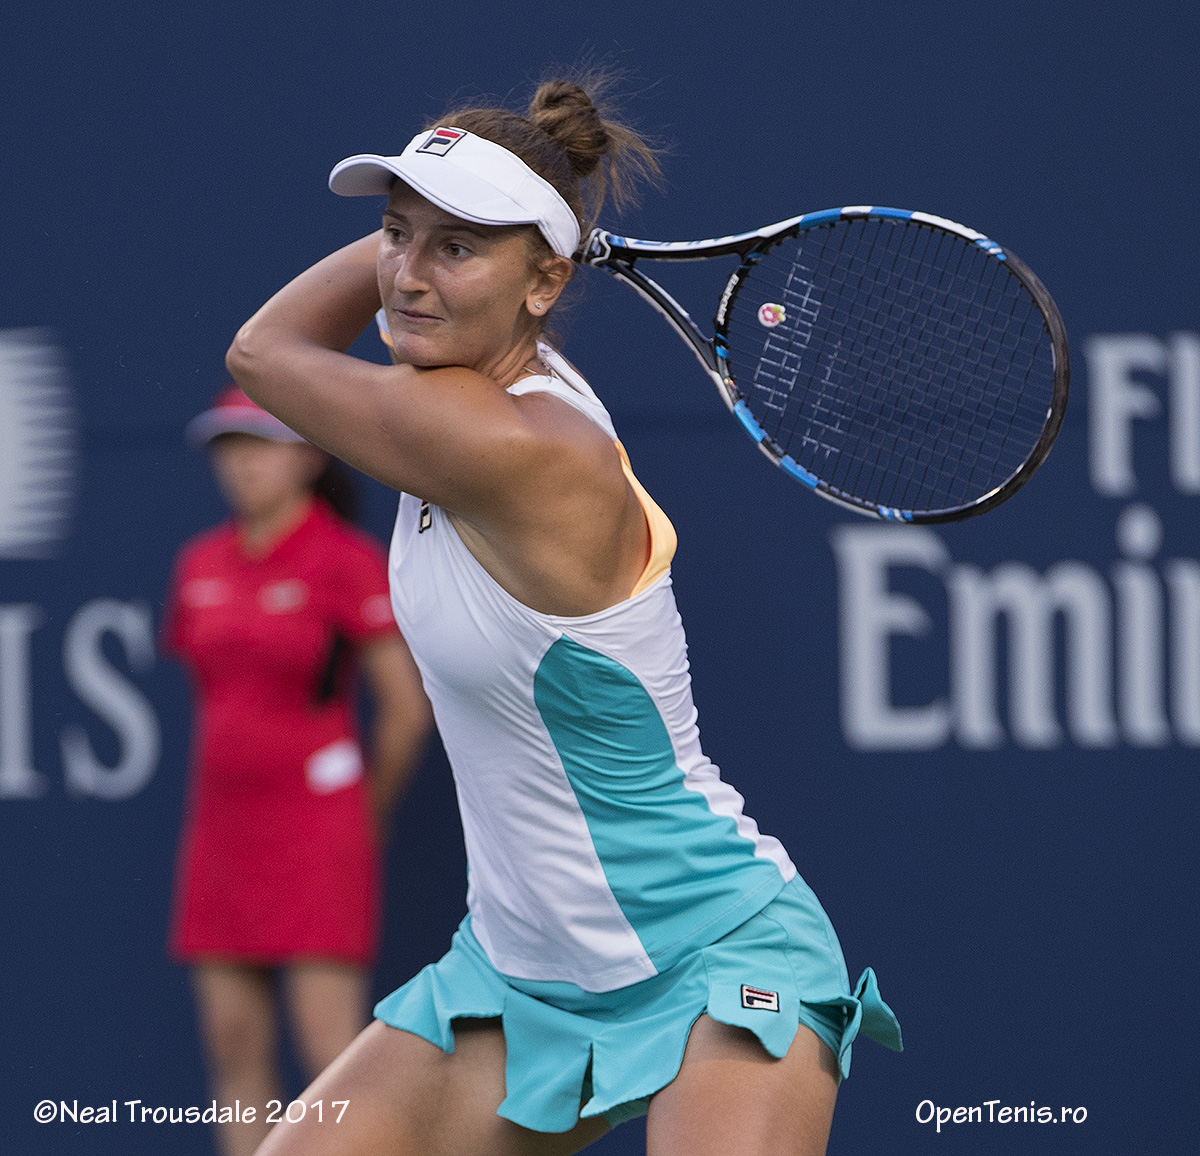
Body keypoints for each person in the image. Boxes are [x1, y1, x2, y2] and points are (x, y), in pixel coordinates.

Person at [226, 74, 901, 1156]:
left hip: (717, 955)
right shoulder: (461, 374)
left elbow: (262, 354)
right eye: (393, 235)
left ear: (546, 280)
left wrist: (435, 232)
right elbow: (300, 339)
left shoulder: (507, 443)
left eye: (458, 248)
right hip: (514, 976)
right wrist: (442, 228)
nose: (407, 274)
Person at [163, 386, 433, 1156]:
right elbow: (217, 698)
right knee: (231, 1039)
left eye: (260, 443)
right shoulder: (198, 563)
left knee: (331, 1058)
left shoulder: (344, 561)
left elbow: (405, 709)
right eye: (229, 446)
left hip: (317, 829)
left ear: (309, 456)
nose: (242, 463)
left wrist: (363, 815)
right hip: (221, 830)